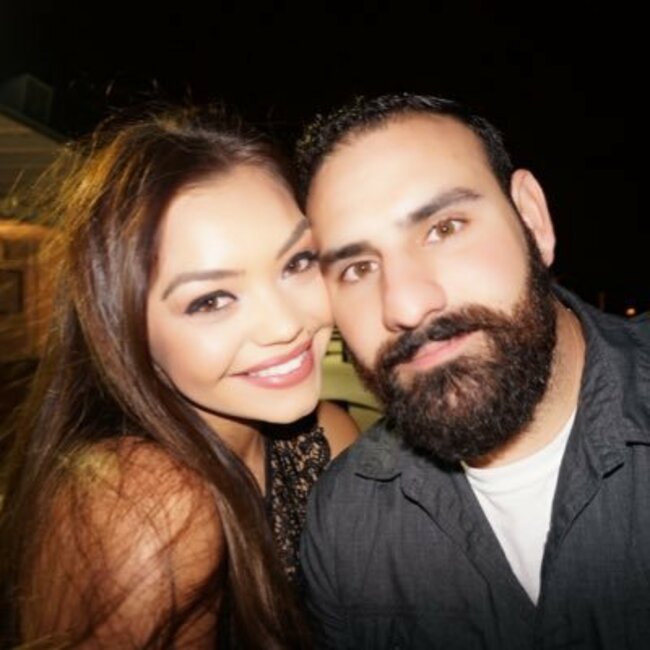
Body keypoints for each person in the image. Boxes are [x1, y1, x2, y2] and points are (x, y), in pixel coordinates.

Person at [296, 93, 650, 649]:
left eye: (445, 228)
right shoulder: (344, 521)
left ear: (532, 219)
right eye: (359, 268)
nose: (406, 305)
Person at [0, 104, 358, 649]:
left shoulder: (327, 437)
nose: (286, 325)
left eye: (297, 262)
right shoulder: (143, 504)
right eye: (211, 300)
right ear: (125, 330)